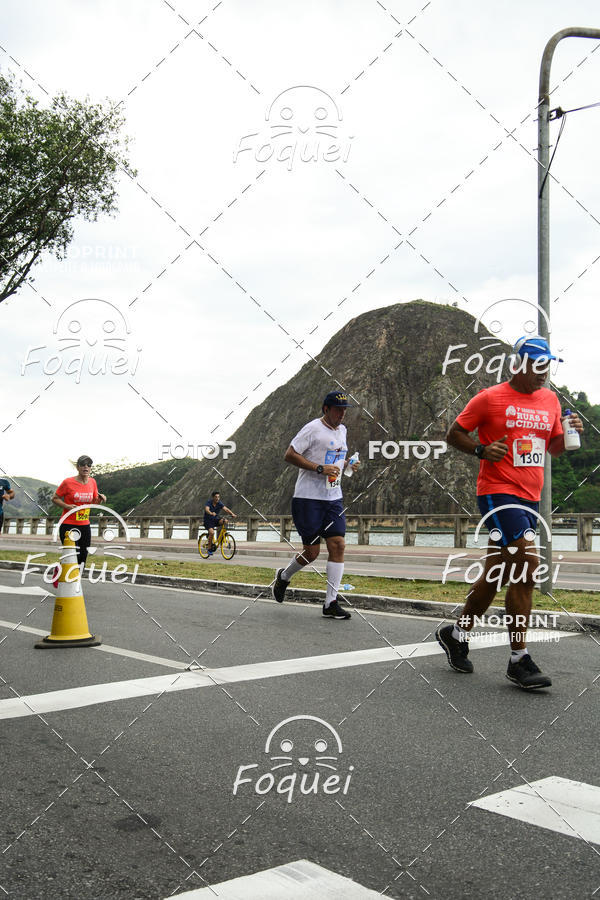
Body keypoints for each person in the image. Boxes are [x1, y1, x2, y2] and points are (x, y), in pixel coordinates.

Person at [437, 336, 583, 690]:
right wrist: (481, 450)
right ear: (518, 364)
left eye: (547, 365)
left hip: (529, 497)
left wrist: (569, 434)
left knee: (495, 574)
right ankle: (519, 659)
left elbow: (553, 449)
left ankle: (457, 634)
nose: (543, 372)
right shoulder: (490, 398)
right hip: (497, 492)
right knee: (527, 565)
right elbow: (454, 433)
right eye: (536, 365)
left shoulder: (550, 400)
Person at [272, 390, 361, 619]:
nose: (342, 414)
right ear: (326, 409)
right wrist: (319, 468)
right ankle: (283, 577)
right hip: (308, 499)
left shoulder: (343, 430)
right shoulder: (312, 428)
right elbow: (289, 455)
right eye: (338, 410)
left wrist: (349, 465)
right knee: (311, 553)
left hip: (333, 497)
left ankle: (330, 602)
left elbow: (337, 459)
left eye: (344, 410)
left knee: (338, 544)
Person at [52, 455, 106, 568]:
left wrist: (100, 499)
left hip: (84, 525)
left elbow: (94, 503)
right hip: (68, 525)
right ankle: (61, 571)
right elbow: (55, 498)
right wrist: (66, 506)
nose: (86, 467)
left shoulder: (92, 482)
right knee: (71, 556)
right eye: (83, 464)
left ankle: (75, 582)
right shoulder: (68, 482)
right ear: (78, 467)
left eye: (89, 465)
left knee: (82, 559)